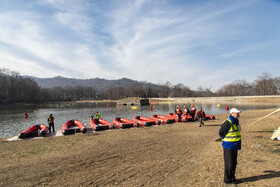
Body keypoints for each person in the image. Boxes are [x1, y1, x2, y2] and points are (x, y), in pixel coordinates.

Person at [219, 108, 242, 186]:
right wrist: (222, 138)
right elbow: (221, 132)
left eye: (238, 113)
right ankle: (227, 181)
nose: (238, 114)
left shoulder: (236, 122)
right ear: (232, 113)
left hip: (235, 145)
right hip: (228, 146)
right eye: (237, 113)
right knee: (229, 164)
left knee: (234, 163)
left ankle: (232, 178)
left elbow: (239, 130)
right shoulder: (227, 122)